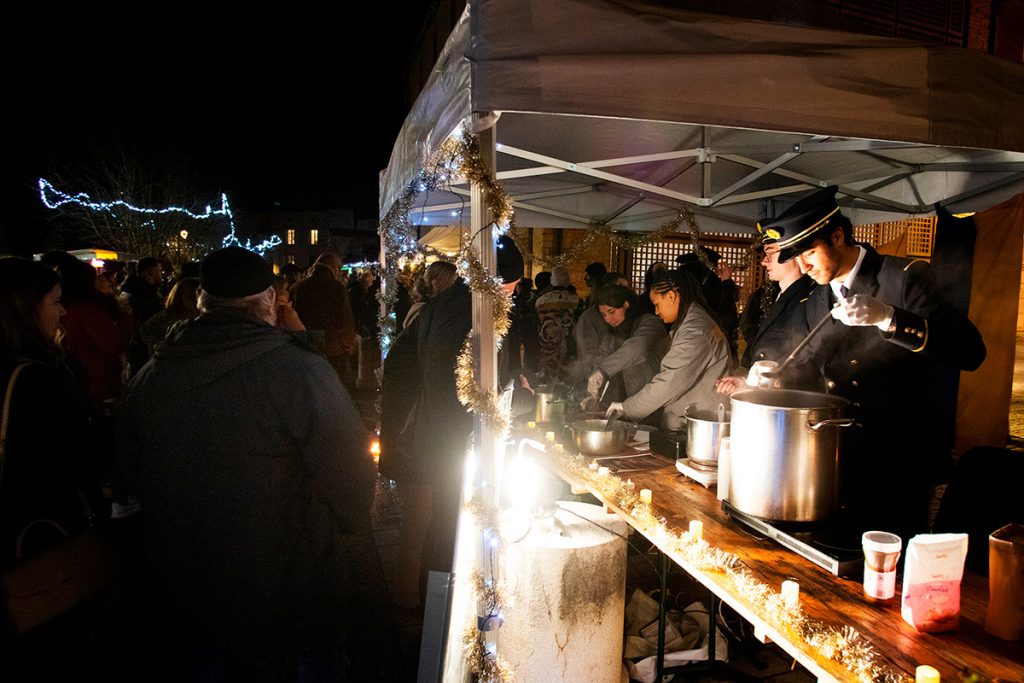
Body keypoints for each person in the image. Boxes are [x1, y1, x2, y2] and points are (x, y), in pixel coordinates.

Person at [118, 247, 375, 678]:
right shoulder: (296, 371)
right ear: (270, 300)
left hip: (188, 587)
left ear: (203, 301)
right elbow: (350, 475)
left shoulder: (154, 374)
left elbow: (129, 472)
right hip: (287, 590)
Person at [768, 185, 986, 538]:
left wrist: (889, 318)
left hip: (898, 463)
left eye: (809, 252)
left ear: (838, 236)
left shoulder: (903, 278)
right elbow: (808, 362)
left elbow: (970, 351)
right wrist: (772, 376)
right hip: (837, 461)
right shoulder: (816, 299)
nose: (803, 267)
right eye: (797, 258)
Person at [606, 269, 732, 431]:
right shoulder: (690, 322)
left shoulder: (695, 330)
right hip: (696, 419)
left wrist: (627, 408)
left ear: (671, 296)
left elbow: (670, 381)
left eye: (657, 304)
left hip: (700, 425)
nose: (656, 312)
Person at [716, 236, 816, 394]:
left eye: (770, 254)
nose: (764, 262)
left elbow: (803, 362)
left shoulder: (807, 301)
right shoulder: (783, 295)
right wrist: (745, 381)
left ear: (793, 256)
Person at [582, 284, 668, 407]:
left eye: (611, 312)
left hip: (651, 401)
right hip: (625, 403)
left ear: (626, 305)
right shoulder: (611, 335)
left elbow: (635, 348)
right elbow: (602, 359)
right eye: (604, 315)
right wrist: (594, 392)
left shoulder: (650, 323)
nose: (608, 319)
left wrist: (602, 372)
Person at [290, 252, 357, 383]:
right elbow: (345, 319)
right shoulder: (336, 288)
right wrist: (347, 344)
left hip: (305, 346)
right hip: (332, 348)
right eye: (339, 268)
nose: (339, 272)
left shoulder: (298, 287)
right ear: (333, 267)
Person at [139, 277, 200, 356]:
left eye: (198, 296)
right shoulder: (165, 317)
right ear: (179, 298)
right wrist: (160, 346)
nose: (196, 301)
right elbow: (145, 330)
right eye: (191, 297)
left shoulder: (201, 316)